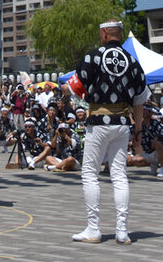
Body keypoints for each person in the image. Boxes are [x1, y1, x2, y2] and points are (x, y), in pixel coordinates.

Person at [64, 18, 149, 245]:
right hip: (122, 123)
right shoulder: (132, 61)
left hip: (99, 122)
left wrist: (66, 89)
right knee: (119, 175)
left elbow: (73, 87)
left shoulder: (93, 57)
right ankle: (122, 230)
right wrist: (138, 131)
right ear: (119, 34)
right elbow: (140, 101)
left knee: (90, 173)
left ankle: (93, 228)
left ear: (103, 34)